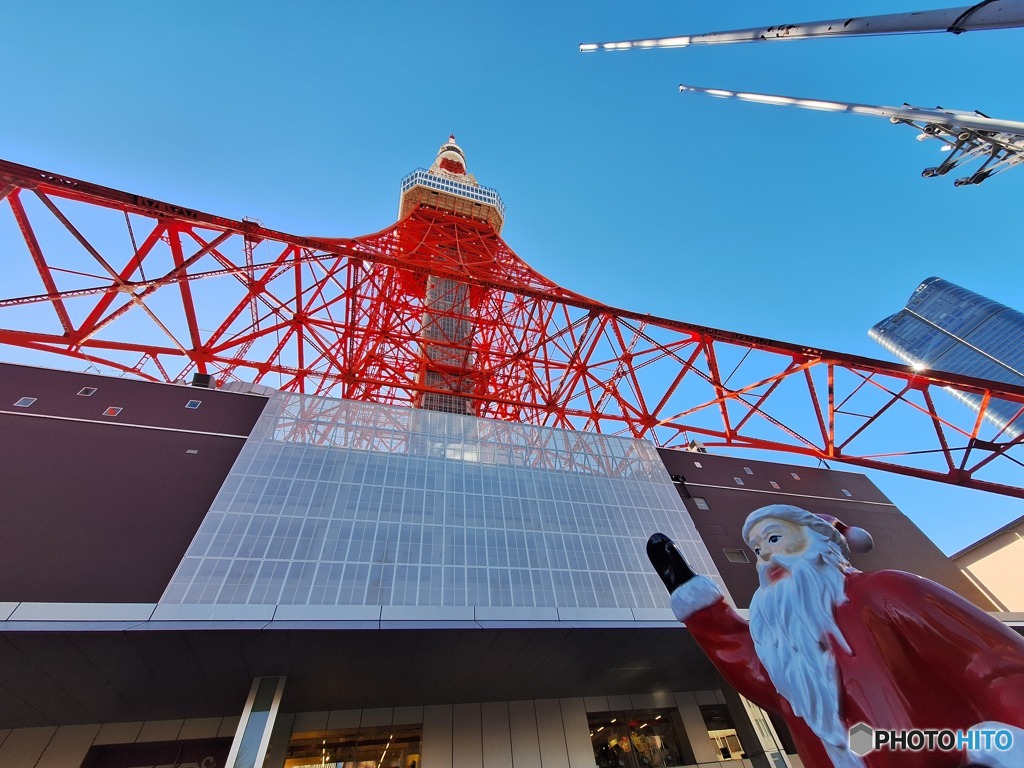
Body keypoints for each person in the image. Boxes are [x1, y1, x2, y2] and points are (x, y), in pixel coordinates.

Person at [647, 504, 1024, 768]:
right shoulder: (784, 639)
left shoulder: (886, 592)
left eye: (775, 539)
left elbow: (996, 666)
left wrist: (997, 745)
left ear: (819, 539)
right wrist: (702, 610)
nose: (766, 559)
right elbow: (762, 676)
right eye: (759, 551)